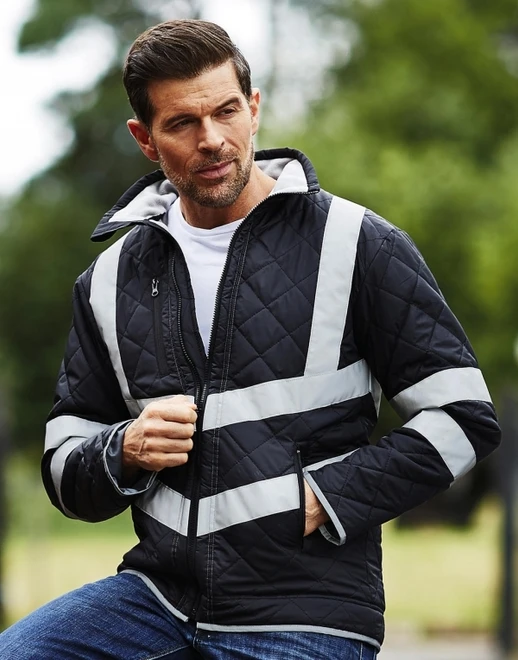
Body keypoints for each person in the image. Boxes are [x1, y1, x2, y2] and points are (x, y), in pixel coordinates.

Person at [0, 18, 500, 660]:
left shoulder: (358, 244)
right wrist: (124, 450)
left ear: (254, 108)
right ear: (145, 139)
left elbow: (464, 418)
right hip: (160, 598)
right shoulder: (107, 280)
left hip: (306, 609)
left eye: (226, 112)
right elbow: (63, 463)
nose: (212, 139)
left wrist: (326, 498)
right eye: (182, 123)